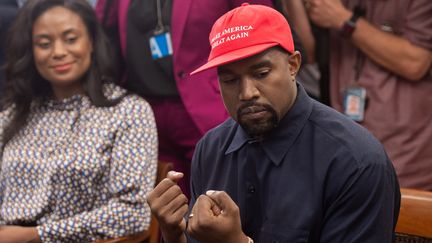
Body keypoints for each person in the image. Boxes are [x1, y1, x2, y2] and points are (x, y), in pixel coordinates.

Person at [146, 3, 400, 243]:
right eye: (230, 80)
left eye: (261, 73)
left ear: (293, 65)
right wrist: (173, 234)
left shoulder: (355, 162)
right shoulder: (211, 150)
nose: (247, 93)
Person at [0, 0, 158, 242]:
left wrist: (35, 236)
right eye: (44, 44)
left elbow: (133, 213)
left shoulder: (128, 112)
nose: (59, 51)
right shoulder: (15, 113)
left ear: (92, 42)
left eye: (71, 39)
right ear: (30, 51)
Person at [94, 0, 277, 198]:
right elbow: (102, 31)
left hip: (205, 107)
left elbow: (261, 27)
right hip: (145, 112)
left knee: (221, 195)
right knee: (169, 205)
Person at [307, 0, 432, 190]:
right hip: (345, 143)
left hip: (405, 152)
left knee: (405, 212)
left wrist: (345, 20)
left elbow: (416, 62)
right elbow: (306, 52)